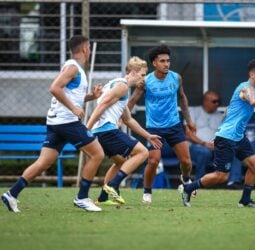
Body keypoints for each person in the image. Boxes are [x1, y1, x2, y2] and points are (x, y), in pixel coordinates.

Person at [1, 35, 105, 212]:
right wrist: (73, 109)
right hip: (67, 122)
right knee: (97, 154)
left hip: (57, 123)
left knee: (44, 162)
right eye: (89, 47)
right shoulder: (73, 67)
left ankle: (12, 194)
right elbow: (54, 88)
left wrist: (92, 97)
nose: (90, 51)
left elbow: (72, 95)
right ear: (85, 49)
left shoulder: (73, 68)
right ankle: (82, 197)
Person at [179, 58, 255, 208]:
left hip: (237, 137)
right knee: (222, 176)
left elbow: (227, 112)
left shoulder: (244, 90)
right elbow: (253, 101)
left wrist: (220, 131)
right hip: (227, 138)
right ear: (252, 74)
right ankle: (188, 188)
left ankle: (245, 200)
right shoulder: (246, 89)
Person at [86, 56, 162, 206]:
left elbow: (128, 120)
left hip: (101, 131)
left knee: (121, 161)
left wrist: (148, 136)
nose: (144, 79)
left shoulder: (118, 86)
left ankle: (103, 198)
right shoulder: (122, 86)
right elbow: (100, 107)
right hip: (105, 130)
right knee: (143, 153)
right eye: (142, 75)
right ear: (133, 72)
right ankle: (113, 185)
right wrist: (86, 129)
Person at [128, 44, 196, 204]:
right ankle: (147, 192)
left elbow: (182, 98)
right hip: (154, 127)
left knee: (186, 162)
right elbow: (131, 101)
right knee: (153, 160)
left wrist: (189, 120)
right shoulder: (146, 81)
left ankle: (185, 181)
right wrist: (120, 118)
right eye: (162, 61)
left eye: (168, 61)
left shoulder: (176, 78)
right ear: (155, 63)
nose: (166, 64)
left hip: (174, 125)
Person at [186, 90, 243, 187]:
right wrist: (204, 143)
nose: (217, 104)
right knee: (204, 152)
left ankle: (233, 182)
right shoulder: (193, 111)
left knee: (234, 151)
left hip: (215, 148)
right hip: (196, 147)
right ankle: (198, 183)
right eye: (214, 101)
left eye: (218, 102)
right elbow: (188, 134)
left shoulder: (220, 116)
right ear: (205, 101)